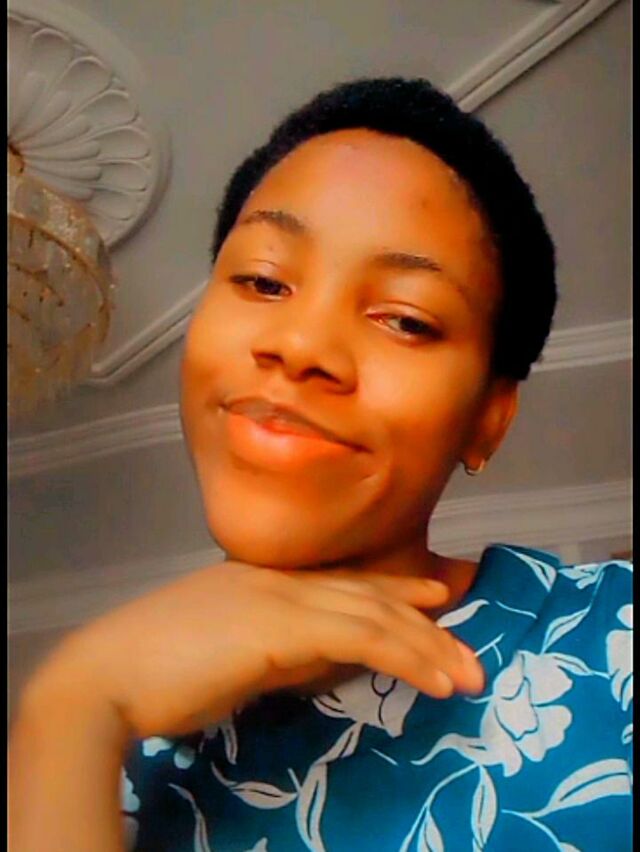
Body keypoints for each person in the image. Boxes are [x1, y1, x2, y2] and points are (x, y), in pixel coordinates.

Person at [9, 77, 632, 852]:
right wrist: (68, 710)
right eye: (263, 281)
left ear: (488, 419)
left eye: (405, 319)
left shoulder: (614, 641)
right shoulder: (107, 763)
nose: (300, 345)